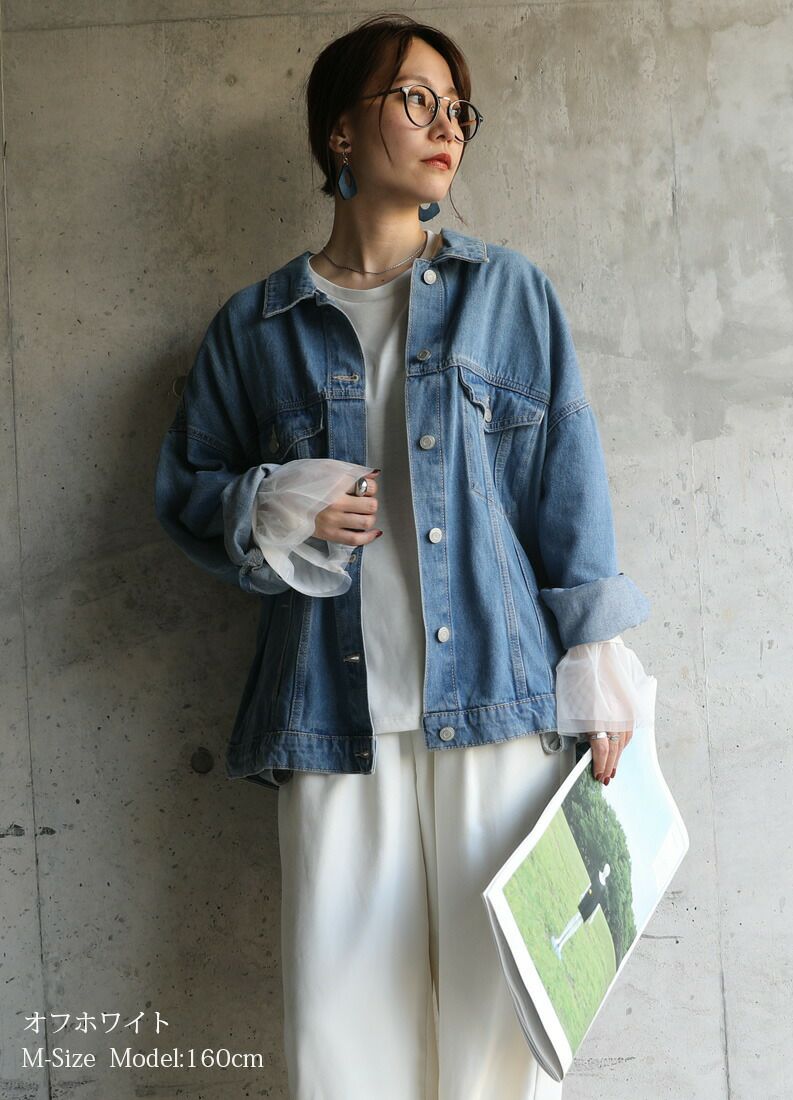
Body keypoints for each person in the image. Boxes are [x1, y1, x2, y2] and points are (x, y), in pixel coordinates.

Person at [154, 13, 652, 1099]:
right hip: (332, 726)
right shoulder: (255, 325)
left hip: (499, 713)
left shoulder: (506, 293)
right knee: (344, 1045)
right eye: (415, 99)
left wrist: (595, 661)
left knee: (497, 1045)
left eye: (457, 108)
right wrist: (269, 503)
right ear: (341, 130)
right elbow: (185, 492)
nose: (446, 126)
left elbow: (564, 482)